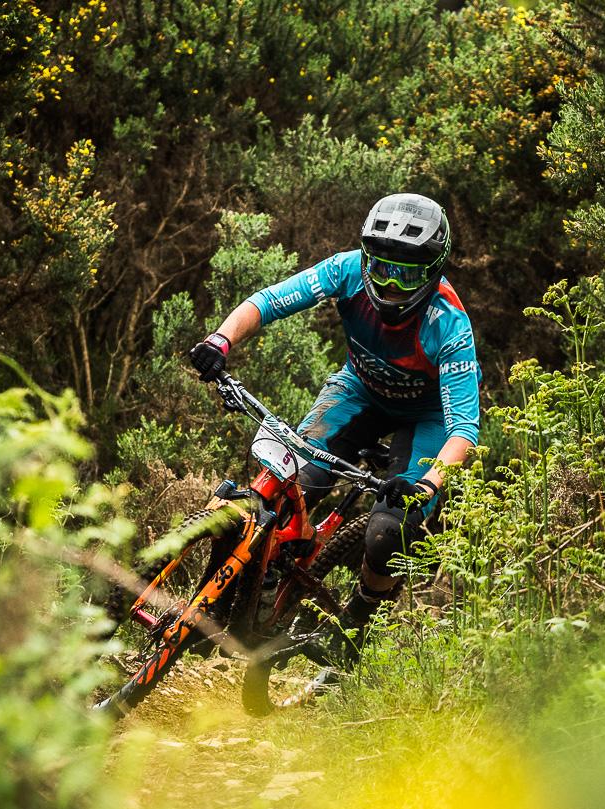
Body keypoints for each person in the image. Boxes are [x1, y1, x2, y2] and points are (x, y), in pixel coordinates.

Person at [186, 192, 479, 669]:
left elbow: (464, 425)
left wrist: (430, 480)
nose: (387, 282)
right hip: (359, 394)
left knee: (388, 533)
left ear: (432, 272)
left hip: (427, 420)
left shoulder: (449, 323)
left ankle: (353, 626)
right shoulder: (345, 270)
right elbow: (269, 301)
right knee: (285, 490)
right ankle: (226, 607)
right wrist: (221, 339)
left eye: (404, 273)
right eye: (380, 266)